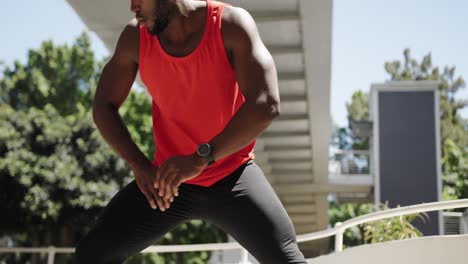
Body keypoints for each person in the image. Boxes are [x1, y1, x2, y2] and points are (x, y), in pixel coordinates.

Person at [74, 0, 308, 263]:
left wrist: (199, 159)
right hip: (166, 184)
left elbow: (266, 104)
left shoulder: (230, 24)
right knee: (91, 255)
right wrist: (139, 165)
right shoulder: (135, 38)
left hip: (232, 176)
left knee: (287, 258)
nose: (133, 7)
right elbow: (103, 105)